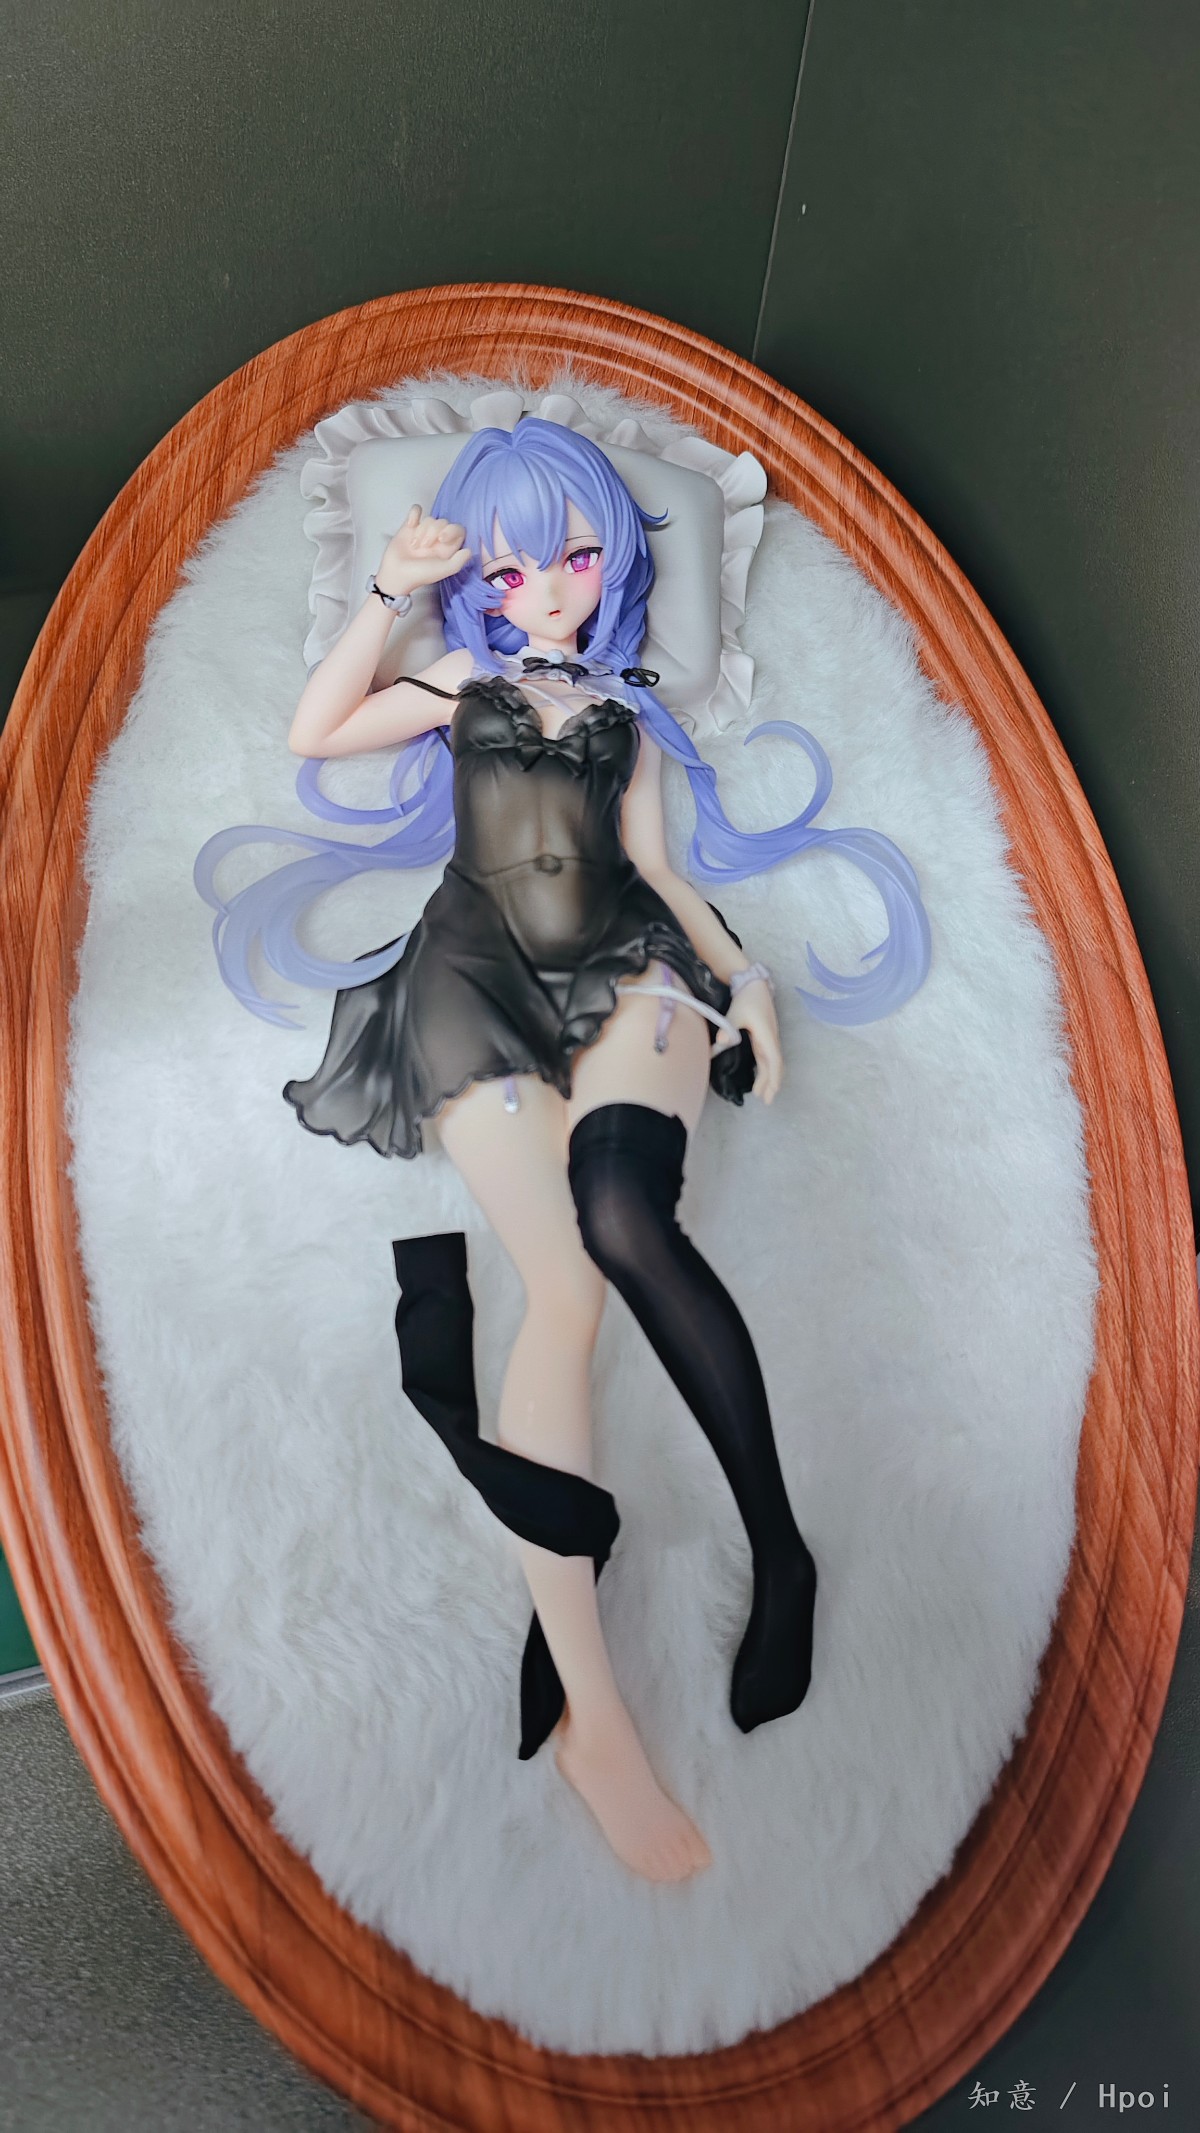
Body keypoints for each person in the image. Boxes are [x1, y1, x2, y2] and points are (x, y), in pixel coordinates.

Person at [195, 418, 930, 1883]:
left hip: (633, 965)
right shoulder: (457, 683)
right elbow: (315, 730)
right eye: (517, 567)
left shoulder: (630, 708)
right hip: (472, 980)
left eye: (579, 557)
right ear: (483, 579)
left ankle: (779, 1546)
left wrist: (749, 980)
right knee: (566, 1290)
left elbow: (658, 866)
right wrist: (396, 588)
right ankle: (597, 1716)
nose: (549, 588)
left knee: (626, 1219)